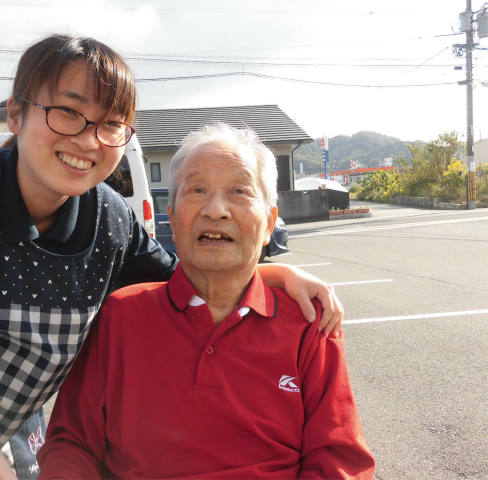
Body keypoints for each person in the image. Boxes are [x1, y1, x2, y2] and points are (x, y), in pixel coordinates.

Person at [0, 36, 342, 480]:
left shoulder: (108, 220)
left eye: (111, 124)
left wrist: (273, 273)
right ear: (16, 113)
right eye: (68, 112)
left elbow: (187, 279)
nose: (88, 141)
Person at [38, 123, 374, 480]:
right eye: (197, 190)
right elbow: (72, 443)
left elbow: (339, 459)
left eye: (239, 191)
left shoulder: (308, 321)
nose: (216, 210)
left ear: (268, 224)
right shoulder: (120, 316)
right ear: (172, 216)